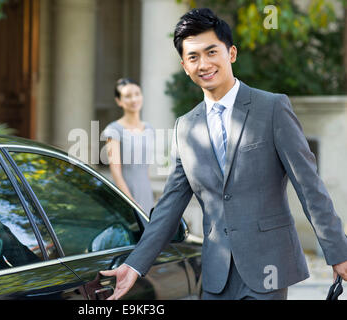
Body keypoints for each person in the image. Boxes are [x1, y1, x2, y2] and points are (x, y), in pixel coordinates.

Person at [100, 8, 347, 300]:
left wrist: (337, 251)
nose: (203, 64)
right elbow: (169, 207)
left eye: (211, 52)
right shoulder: (184, 127)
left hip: (268, 267)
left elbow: (309, 186)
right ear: (184, 65)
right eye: (193, 57)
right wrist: (134, 264)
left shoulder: (272, 109)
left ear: (231, 53)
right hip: (216, 277)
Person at [102, 78, 155, 215]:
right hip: (125, 196)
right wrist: (131, 203)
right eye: (127, 96)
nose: (134, 99)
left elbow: (146, 168)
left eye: (137, 94)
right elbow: (115, 171)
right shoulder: (113, 130)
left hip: (146, 194)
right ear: (119, 101)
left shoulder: (149, 128)